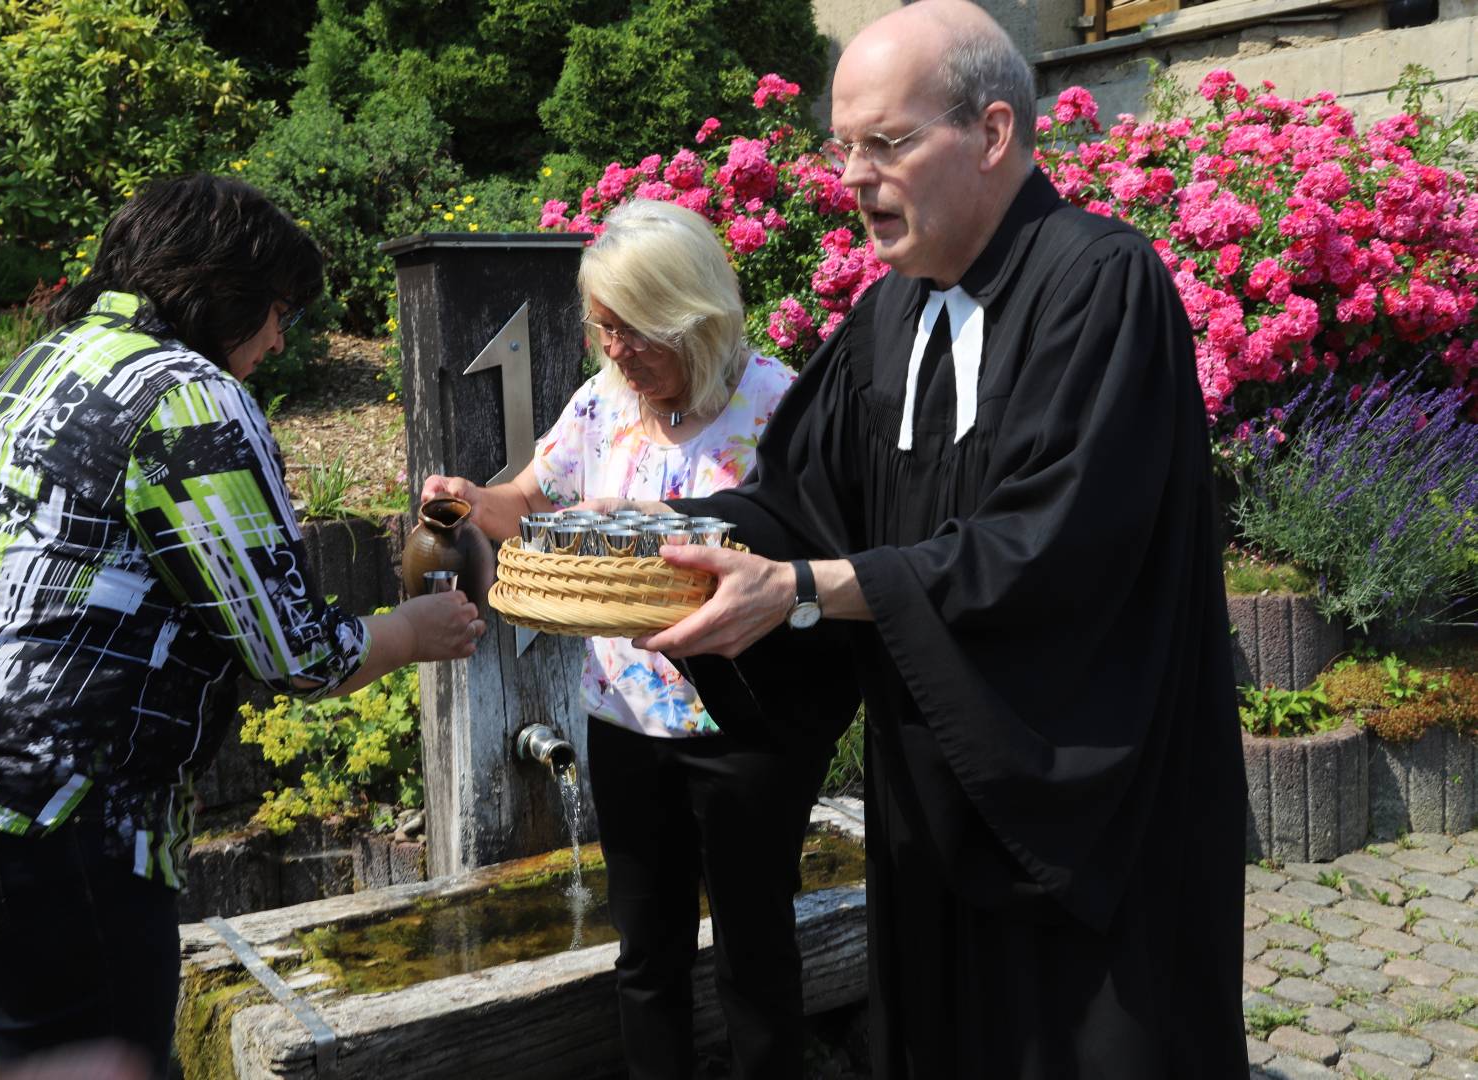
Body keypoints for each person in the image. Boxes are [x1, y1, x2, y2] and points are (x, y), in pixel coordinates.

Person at [637, 3, 1248, 1076]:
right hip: (934, 811)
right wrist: (647, 543)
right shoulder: (891, 322)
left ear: (994, 133)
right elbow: (794, 512)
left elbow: (1050, 546)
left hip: (1086, 816)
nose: (855, 178)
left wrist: (807, 588)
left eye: (888, 143)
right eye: (843, 148)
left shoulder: (1102, 286)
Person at [0, 174, 484, 1077]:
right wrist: (411, 631)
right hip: (60, 818)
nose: (278, 338)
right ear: (226, 293)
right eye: (277, 311)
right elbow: (294, 649)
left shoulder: (49, 361)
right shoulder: (187, 396)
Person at [423, 199, 848, 1079]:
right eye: (603, 329)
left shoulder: (779, 407)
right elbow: (531, 501)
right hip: (620, 712)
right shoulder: (602, 403)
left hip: (743, 720)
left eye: (633, 332)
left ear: (690, 317)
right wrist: (471, 498)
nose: (615, 351)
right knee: (646, 952)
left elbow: (825, 556)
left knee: (754, 950)